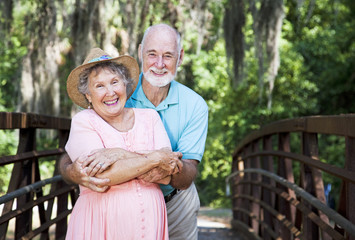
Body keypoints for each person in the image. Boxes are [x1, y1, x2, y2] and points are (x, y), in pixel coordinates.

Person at [60, 23, 209, 240]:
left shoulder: (194, 105)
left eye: (168, 55)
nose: (159, 64)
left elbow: (181, 174)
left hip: (177, 201)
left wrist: (119, 154)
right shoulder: (116, 95)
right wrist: (73, 171)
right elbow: (78, 157)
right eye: (152, 54)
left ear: (180, 57)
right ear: (140, 52)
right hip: (108, 213)